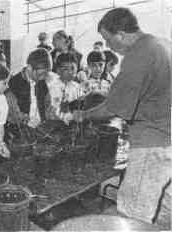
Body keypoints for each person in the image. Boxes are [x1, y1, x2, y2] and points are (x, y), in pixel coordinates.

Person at [66, 7, 171, 229]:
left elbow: (113, 108)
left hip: (151, 144)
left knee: (133, 210)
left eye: (107, 39)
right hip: (167, 136)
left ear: (120, 35)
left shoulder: (138, 56)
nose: (108, 46)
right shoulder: (161, 44)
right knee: (163, 209)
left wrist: (82, 115)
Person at [8, 48, 61, 128]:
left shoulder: (42, 80)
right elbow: (13, 114)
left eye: (46, 73)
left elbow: (47, 104)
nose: (44, 77)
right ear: (29, 68)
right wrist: (27, 120)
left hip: (40, 126)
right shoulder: (14, 83)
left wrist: (52, 111)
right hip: (21, 129)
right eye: (42, 74)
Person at [52, 53, 84, 120]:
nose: (70, 72)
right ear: (58, 70)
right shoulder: (53, 86)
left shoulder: (77, 87)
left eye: (73, 68)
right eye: (66, 69)